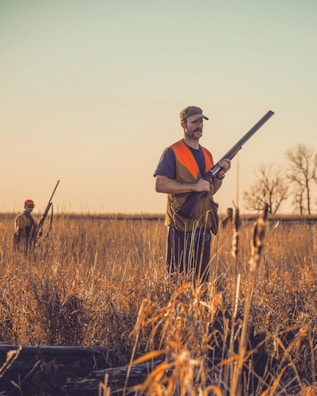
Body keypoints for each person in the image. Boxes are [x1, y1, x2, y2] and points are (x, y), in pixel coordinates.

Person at [154, 106, 231, 282]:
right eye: (194, 122)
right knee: (177, 281)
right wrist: (193, 187)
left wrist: (220, 175)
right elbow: (160, 184)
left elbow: (209, 190)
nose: (199, 126)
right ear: (183, 125)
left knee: (202, 283)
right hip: (181, 226)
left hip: (203, 227)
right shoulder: (172, 152)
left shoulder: (207, 154)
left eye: (201, 121)